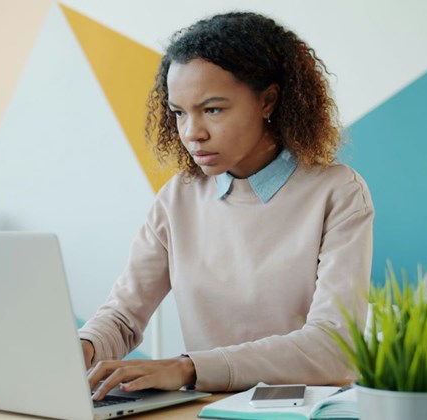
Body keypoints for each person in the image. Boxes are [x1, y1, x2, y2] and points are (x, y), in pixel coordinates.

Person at [79, 11, 374, 399]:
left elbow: (334, 348)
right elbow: (122, 316)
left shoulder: (338, 193)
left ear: (268, 100)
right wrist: (80, 350)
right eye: (179, 113)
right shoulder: (178, 197)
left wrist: (188, 367)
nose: (192, 133)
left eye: (212, 109)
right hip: (209, 409)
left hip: (303, 409)